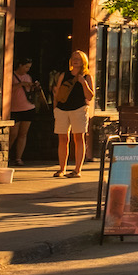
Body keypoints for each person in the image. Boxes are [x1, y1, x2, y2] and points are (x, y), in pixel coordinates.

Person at [50, 49, 93, 178]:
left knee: (79, 138)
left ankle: (77, 170)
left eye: (78, 58)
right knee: (63, 139)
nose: (75, 60)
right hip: (62, 109)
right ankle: (62, 168)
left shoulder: (87, 76)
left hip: (79, 109)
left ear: (83, 61)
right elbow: (57, 93)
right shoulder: (65, 75)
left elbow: (90, 96)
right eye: (74, 58)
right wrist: (55, 108)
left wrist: (83, 83)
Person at [8, 60, 41, 166]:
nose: (27, 70)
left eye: (29, 68)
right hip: (14, 108)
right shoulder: (11, 75)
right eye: (26, 67)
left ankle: (18, 158)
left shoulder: (28, 77)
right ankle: (6, 154)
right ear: (20, 65)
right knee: (13, 134)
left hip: (27, 107)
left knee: (23, 134)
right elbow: (8, 89)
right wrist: (21, 84)